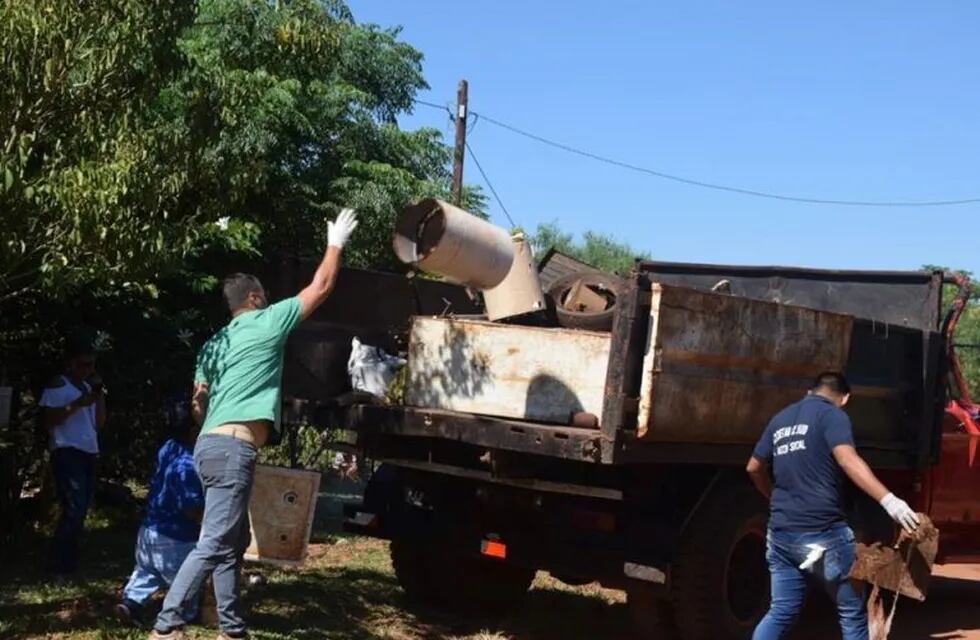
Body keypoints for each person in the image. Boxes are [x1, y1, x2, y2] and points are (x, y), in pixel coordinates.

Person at [151, 208, 359, 640]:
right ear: (254, 299)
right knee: (213, 543)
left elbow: (197, 406)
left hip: (208, 447)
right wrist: (335, 242)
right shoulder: (268, 322)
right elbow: (321, 286)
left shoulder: (213, 343)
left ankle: (232, 629)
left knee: (230, 542)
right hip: (233, 450)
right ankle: (166, 625)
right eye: (262, 295)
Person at [746, 371, 921, 640]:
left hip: (780, 534)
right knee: (851, 612)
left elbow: (754, 467)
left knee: (781, 611)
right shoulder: (833, 416)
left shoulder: (779, 419)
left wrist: (772, 496)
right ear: (845, 398)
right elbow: (848, 460)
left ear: (809, 392)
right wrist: (890, 501)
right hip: (824, 534)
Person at [116, 399, 205, 627]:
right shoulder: (188, 465)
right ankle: (179, 615)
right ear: (195, 430)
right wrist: (209, 525)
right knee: (186, 584)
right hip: (176, 539)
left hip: (148, 532)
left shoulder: (168, 448)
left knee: (146, 572)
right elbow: (191, 507)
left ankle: (131, 603)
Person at [40, 339, 107, 575]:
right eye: (83, 364)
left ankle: (70, 563)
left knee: (81, 510)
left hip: (89, 450)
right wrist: (77, 404)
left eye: (92, 366)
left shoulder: (89, 388)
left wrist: (98, 397)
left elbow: (99, 423)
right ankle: (58, 565)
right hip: (67, 450)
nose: (88, 370)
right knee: (74, 508)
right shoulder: (59, 386)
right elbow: (49, 421)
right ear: (71, 363)